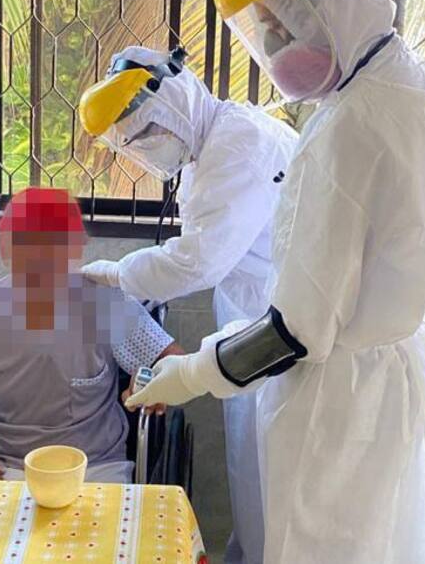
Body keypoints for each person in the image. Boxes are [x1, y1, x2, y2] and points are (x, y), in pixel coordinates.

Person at [127, 0, 425, 564]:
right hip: (391, 374)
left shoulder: (347, 127)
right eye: (268, 31)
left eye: (286, 25)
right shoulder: (411, 84)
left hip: (344, 400)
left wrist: (192, 371)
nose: (279, 48)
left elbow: (296, 331)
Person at [78, 45, 297, 563]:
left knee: (277, 476)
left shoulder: (239, 146)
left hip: (285, 325)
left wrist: (117, 275)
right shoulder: (210, 149)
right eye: (135, 144)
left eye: (146, 136)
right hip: (254, 317)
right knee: (253, 470)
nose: (146, 151)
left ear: (173, 105)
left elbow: (197, 262)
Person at [0, 188, 181, 482]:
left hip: (94, 467)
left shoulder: (106, 303)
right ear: (6, 248)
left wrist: (151, 379)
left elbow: (172, 359)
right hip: (3, 464)